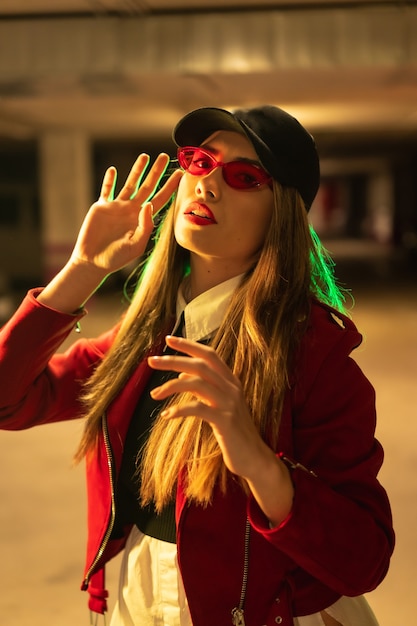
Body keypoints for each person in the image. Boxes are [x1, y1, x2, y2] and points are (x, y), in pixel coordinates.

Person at [0, 105, 394, 626]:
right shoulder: (144, 337)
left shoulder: (315, 356)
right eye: (200, 161)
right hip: (138, 600)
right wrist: (81, 271)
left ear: (283, 216)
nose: (207, 185)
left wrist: (257, 460)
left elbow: (362, 559)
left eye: (243, 177)